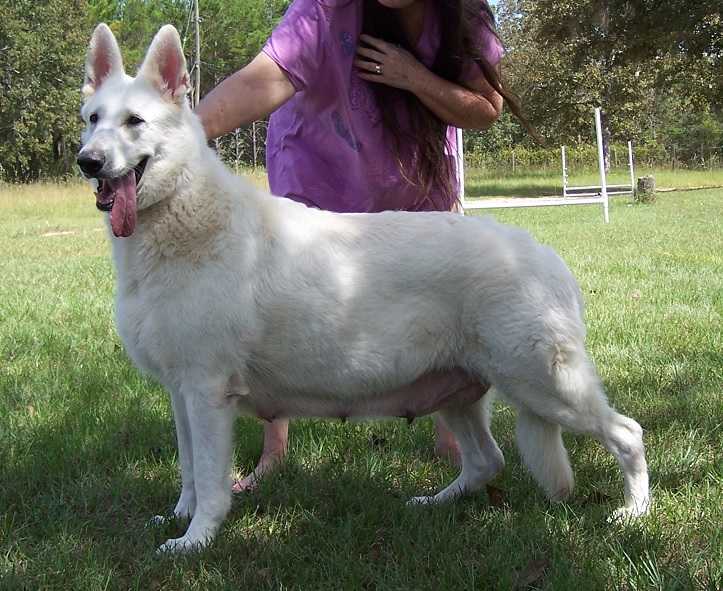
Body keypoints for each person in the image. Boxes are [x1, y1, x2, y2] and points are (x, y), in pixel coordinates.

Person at [196, 0, 524, 492]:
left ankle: (455, 441)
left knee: (440, 293)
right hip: (319, 162)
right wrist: (179, 133)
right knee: (285, 297)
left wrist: (414, 76)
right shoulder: (326, 8)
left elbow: (486, 108)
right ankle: (275, 449)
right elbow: (269, 76)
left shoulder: (464, 15)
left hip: (415, 170)